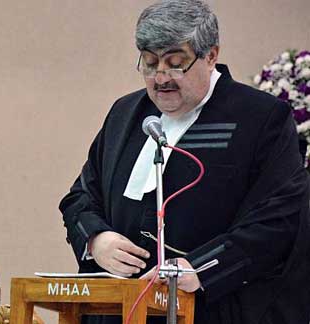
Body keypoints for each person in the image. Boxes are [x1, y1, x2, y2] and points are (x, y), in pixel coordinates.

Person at [59, 1, 310, 323]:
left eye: (176, 64)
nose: (161, 78)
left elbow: (279, 218)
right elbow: (80, 197)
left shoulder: (261, 117)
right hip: (117, 309)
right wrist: (96, 240)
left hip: (213, 308)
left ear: (211, 55)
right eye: (150, 63)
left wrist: (201, 266)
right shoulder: (125, 113)